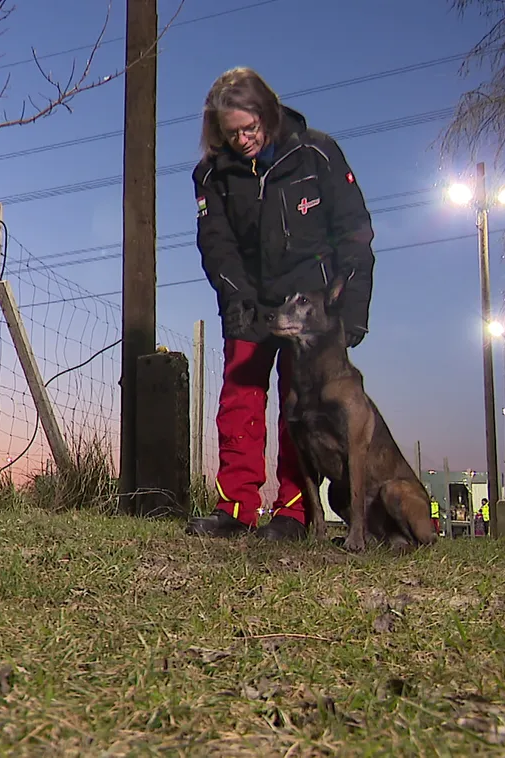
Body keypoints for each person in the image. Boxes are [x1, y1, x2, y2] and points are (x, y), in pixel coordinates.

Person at [183, 67, 376, 542]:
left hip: (310, 307)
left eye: (250, 128)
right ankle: (235, 509)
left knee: (303, 407)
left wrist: (353, 308)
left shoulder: (317, 152)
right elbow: (216, 243)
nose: (243, 140)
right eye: (232, 133)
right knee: (239, 401)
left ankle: (293, 510)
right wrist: (236, 297)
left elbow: (354, 230)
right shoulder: (211, 174)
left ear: (268, 113)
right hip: (250, 300)